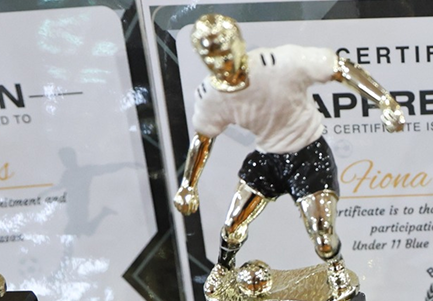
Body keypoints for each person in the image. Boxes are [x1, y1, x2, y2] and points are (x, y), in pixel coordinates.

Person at [173, 14, 404, 283]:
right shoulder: (211, 95)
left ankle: (336, 268)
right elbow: (203, 138)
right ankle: (223, 269)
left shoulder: (279, 64)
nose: (218, 65)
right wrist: (188, 185)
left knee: (322, 237)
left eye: (224, 55)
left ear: (239, 44)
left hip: (308, 155)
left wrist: (386, 102)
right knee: (232, 226)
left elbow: (339, 66)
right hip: (267, 159)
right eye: (208, 57)